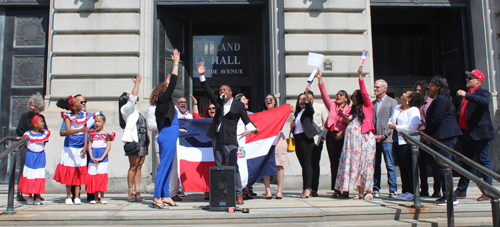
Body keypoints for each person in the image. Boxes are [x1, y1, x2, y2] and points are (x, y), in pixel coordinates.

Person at [196, 61, 258, 205]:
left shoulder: (238, 105)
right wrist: (201, 76)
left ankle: (238, 194)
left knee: (233, 166)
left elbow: (246, 118)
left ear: (231, 92)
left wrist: (253, 128)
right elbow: (207, 91)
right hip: (217, 139)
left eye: (224, 90)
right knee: (219, 167)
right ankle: (222, 193)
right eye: (220, 91)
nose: (221, 92)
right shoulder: (218, 102)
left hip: (230, 139)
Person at [335, 66, 376, 201]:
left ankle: (369, 191)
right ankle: (359, 192)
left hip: (365, 139)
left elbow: (364, 92)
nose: (353, 98)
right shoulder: (353, 111)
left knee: (367, 165)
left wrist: (360, 76)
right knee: (357, 165)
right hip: (353, 143)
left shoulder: (368, 106)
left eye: (354, 95)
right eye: (352, 96)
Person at [454, 69, 495, 201]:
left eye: (471, 78)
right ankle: (461, 189)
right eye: (468, 78)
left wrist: (466, 95)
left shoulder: (482, 93)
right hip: (466, 134)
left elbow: (484, 102)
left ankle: (488, 190)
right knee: (466, 162)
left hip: (480, 134)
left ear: (478, 81)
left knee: (483, 161)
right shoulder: (464, 96)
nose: (468, 80)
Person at [151, 49, 183, 209]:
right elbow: (174, 81)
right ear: (164, 91)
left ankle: (165, 195)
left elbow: (171, 121)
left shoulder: (164, 103)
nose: (171, 90)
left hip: (170, 132)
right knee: (164, 166)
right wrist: (175, 63)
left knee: (168, 166)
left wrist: (179, 130)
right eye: (168, 87)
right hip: (168, 134)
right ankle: (157, 197)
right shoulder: (163, 99)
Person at [424, 76, 462, 206]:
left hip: (444, 136)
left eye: (432, 85)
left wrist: (426, 133)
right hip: (441, 136)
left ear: (438, 87)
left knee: (443, 166)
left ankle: (450, 196)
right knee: (441, 166)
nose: (430, 87)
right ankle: (447, 195)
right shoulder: (441, 99)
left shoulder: (441, 99)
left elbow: (436, 119)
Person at [316, 70, 351, 198]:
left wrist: (343, 131)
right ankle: (336, 189)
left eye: (341, 94)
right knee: (334, 162)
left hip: (344, 137)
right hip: (331, 136)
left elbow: (352, 125)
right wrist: (320, 79)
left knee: (345, 163)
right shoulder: (332, 106)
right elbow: (324, 94)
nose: (338, 96)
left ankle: (345, 189)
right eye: (337, 94)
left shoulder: (349, 109)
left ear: (346, 98)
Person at [388, 91, 424, 201]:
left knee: (409, 167)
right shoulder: (398, 107)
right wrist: (392, 124)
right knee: (402, 167)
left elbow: (412, 127)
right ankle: (405, 190)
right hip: (396, 140)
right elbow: (391, 120)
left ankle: (412, 191)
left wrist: (396, 127)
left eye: (407, 93)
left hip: (407, 142)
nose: (403, 93)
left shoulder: (414, 110)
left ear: (410, 98)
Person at [54, 95, 90, 205]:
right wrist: (79, 129)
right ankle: (69, 195)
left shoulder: (84, 116)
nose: (83, 103)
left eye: (84, 101)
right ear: (74, 106)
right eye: (81, 102)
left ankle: (77, 196)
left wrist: (85, 147)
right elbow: (66, 131)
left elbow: (86, 132)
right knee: (70, 171)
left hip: (80, 147)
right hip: (70, 148)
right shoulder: (67, 117)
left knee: (79, 171)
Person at [119, 74, 149, 203]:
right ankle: (130, 191)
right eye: (129, 95)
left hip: (142, 141)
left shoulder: (135, 111)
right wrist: (136, 84)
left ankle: (137, 190)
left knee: (139, 166)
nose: (132, 96)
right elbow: (133, 99)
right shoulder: (125, 110)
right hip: (134, 141)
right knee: (133, 166)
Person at [15, 92, 47, 202]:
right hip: (26, 147)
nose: (32, 107)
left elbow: (45, 131)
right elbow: (19, 130)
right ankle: (20, 192)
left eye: (35, 106)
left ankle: (36, 193)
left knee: (37, 171)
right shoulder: (25, 116)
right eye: (31, 105)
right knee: (24, 169)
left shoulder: (41, 118)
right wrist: (29, 135)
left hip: (37, 149)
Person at [414, 80, 441, 197]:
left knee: (434, 164)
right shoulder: (415, 104)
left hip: (429, 135)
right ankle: (424, 189)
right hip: (418, 136)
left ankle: (437, 189)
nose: (418, 92)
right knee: (421, 164)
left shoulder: (431, 102)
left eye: (420, 90)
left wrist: (429, 134)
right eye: (416, 90)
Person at [290, 84, 318, 199]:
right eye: (300, 99)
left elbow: (309, 107)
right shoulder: (297, 113)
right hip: (298, 140)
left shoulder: (308, 111)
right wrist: (292, 127)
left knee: (307, 164)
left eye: (304, 99)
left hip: (306, 140)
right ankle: (305, 187)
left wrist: (306, 94)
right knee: (304, 165)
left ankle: (308, 188)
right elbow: (296, 129)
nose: (302, 100)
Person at [372, 79, 398, 198]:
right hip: (375, 139)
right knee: (375, 165)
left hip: (387, 140)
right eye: (375, 87)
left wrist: (384, 135)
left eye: (377, 87)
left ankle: (393, 189)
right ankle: (375, 188)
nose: (375, 89)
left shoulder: (392, 102)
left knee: (390, 164)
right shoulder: (373, 103)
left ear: (384, 89)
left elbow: (393, 121)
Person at [261, 93, 290, 199]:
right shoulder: (262, 114)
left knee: (279, 165)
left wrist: (289, 108)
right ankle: (267, 190)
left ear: (274, 102)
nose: (268, 100)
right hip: (266, 142)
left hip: (278, 141)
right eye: (266, 99)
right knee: (265, 166)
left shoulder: (280, 112)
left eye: (270, 99)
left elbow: (290, 117)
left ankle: (279, 191)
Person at [18, 112, 50, 205]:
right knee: (30, 175)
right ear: (35, 124)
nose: (43, 123)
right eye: (41, 121)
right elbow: (24, 144)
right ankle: (30, 196)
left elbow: (45, 141)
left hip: (40, 156)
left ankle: (37, 196)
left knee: (38, 175)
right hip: (31, 156)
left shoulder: (44, 133)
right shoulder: (28, 134)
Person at [86, 113, 115, 204]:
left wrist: (102, 157)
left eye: (99, 121)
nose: (96, 123)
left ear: (103, 122)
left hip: (102, 157)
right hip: (93, 156)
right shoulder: (92, 134)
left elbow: (108, 147)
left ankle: (102, 197)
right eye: (95, 121)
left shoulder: (106, 134)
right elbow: (89, 146)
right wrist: (91, 156)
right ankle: (95, 197)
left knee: (101, 176)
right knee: (94, 176)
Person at [235, 93, 256, 199]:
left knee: (248, 165)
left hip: (249, 145)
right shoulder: (232, 114)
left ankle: (247, 188)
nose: (247, 100)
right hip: (237, 145)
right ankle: (240, 190)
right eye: (244, 99)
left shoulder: (252, 115)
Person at [309, 89, 328, 197]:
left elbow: (326, 123)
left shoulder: (320, 107)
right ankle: (307, 187)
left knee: (315, 164)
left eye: (310, 99)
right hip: (305, 141)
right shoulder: (302, 107)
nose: (308, 101)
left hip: (317, 140)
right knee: (307, 164)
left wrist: (321, 137)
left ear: (313, 98)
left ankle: (314, 188)